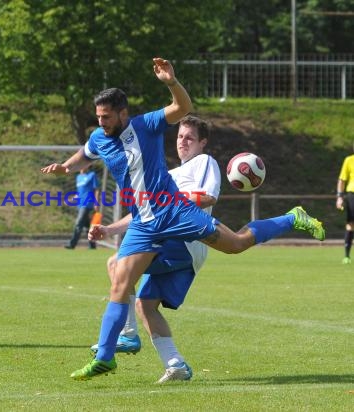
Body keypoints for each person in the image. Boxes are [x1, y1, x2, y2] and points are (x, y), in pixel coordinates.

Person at [40, 57, 325, 381]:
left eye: (107, 117)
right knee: (120, 279)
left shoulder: (146, 125)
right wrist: (66, 166)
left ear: (122, 113)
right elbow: (84, 155)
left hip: (175, 212)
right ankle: (106, 358)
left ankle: (291, 218)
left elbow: (182, 107)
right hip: (145, 224)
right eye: (99, 117)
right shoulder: (99, 138)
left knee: (235, 244)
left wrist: (171, 82)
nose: (102, 122)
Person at [90, 115, 220, 383]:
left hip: (184, 238)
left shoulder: (204, 162)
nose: (183, 142)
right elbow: (143, 212)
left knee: (117, 264)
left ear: (202, 143)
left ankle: (127, 335)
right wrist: (110, 230)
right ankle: (176, 365)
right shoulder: (169, 175)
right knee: (145, 305)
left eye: (190, 138)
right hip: (168, 240)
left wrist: (171, 201)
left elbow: (208, 196)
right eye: (180, 136)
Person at [65, 165, 100, 249]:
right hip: (80, 204)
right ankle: (92, 245)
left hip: (87, 203)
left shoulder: (92, 175)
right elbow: (79, 193)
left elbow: (97, 190)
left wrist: (96, 202)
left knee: (78, 223)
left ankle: (72, 244)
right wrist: (72, 199)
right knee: (87, 226)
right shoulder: (78, 177)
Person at [336, 149, 354, 264]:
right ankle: (347, 256)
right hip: (352, 194)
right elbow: (342, 180)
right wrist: (340, 197)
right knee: (351, 224)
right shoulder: (349, 160)